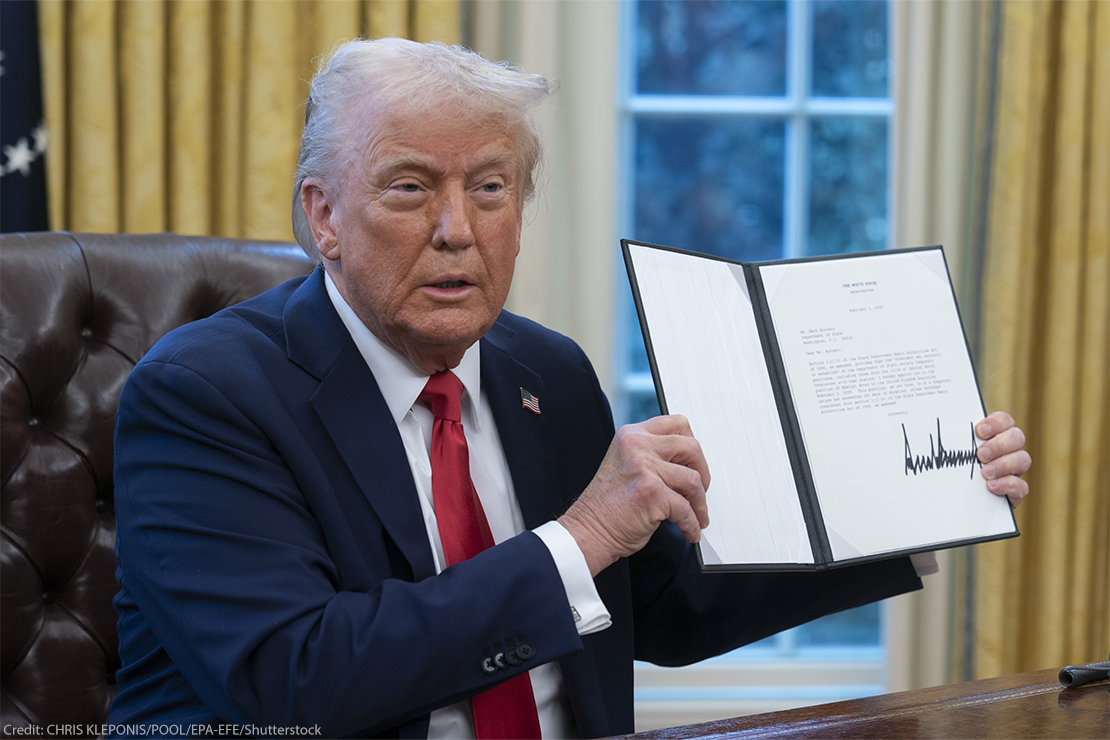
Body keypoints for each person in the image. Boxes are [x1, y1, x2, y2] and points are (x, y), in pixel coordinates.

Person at [108, 38, 1031, 739]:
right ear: (324, 217)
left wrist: (917, 497)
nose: (456, 230)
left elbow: (659, 608)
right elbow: (295, 678)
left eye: (492, 188)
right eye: (408, 189)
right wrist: (583, 531)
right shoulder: (201, 396)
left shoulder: (545, 372)